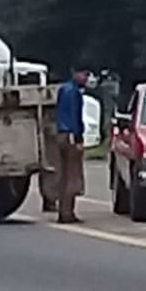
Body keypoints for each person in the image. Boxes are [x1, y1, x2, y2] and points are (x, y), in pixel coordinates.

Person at [54, 66, 89, 224]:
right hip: (71, 136)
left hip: (61, 134)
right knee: (72, 175)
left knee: (63, 175)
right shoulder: (74, 93)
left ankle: (63, 209)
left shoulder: (63, 89)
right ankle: (67, 212)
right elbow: (75, 116)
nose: (86, 79)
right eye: (84, 75)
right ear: (76, 73)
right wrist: (79, 138)